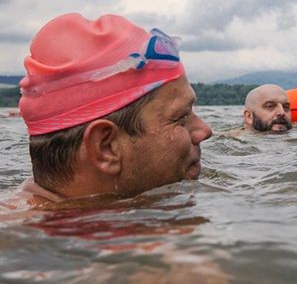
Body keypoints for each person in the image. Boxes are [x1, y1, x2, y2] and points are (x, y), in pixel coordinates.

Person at [4, 13, 213, 208]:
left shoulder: (67, 226)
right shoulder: (20, 239)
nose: (204, 130)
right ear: (106, 147)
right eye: (180, 117)